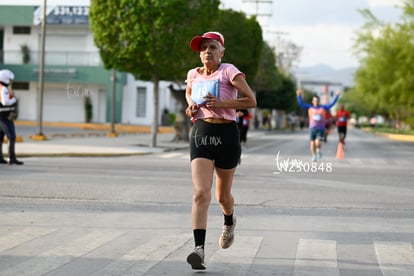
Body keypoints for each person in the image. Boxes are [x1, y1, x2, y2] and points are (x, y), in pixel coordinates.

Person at [184, 31, 256, 270]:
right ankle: (199, 250)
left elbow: (251, 100)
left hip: (226, 135)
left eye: (213, 47)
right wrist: (191, 107)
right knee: (200, 193)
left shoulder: (229, 71)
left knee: (222, 197)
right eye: (203, 48)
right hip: (201, 133)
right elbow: (189, 94)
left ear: (221, 51)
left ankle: (229, 221)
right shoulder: (193, 74)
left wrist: (223, 103)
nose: (207, 51)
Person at [296, 89, 340, 161]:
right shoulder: (309, 107)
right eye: (315, 100)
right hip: (312, 128)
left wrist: (336, 96)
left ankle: (318, 150)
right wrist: (299, 95)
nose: (316, 102)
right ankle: (314, 155)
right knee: (312, 143)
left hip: (320, 128)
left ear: (319, 101)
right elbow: (301, 104)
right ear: (312, 101)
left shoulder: (323, 107)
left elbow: (332, 103)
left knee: (318, 142)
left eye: (317, 100)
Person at [0, 69, 23, 165]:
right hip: (4, 117)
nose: (10, 82)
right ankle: (12, 158)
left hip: (1, 116)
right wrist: (13, 100)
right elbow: (5, 102)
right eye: (9, 80)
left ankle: (0, 158)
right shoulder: (3, 89)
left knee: (0, 137)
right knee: (11, 136)